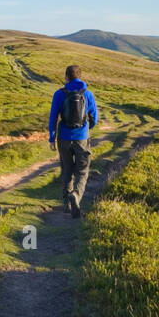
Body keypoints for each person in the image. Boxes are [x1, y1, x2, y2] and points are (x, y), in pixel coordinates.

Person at [48, 64, 99, 218]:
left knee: (66, 170)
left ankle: (67, 205)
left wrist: (52, 138)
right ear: (80, 76)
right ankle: (76, 194)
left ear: (66, 77)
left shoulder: (59, 94)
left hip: (64, 137)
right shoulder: (88, 94)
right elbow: (94, 118)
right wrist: (86, 128)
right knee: (82, 171)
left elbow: (53, 117)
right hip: (82, 137)